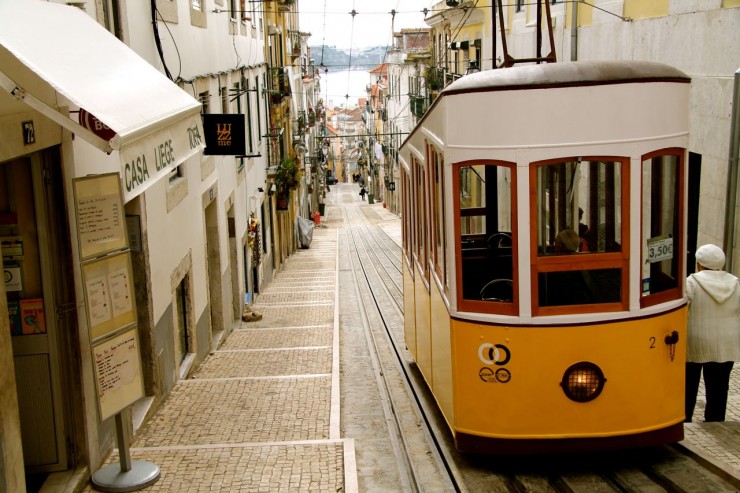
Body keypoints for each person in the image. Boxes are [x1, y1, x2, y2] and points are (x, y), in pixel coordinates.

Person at [685, 244, 740, 422]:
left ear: (699, 264)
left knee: (689, 385)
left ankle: (686, 420)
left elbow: (681, 306)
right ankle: (715, 423)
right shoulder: (735, 283)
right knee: (719, 387)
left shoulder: (692, 281)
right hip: (726, 343)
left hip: (695, 341)